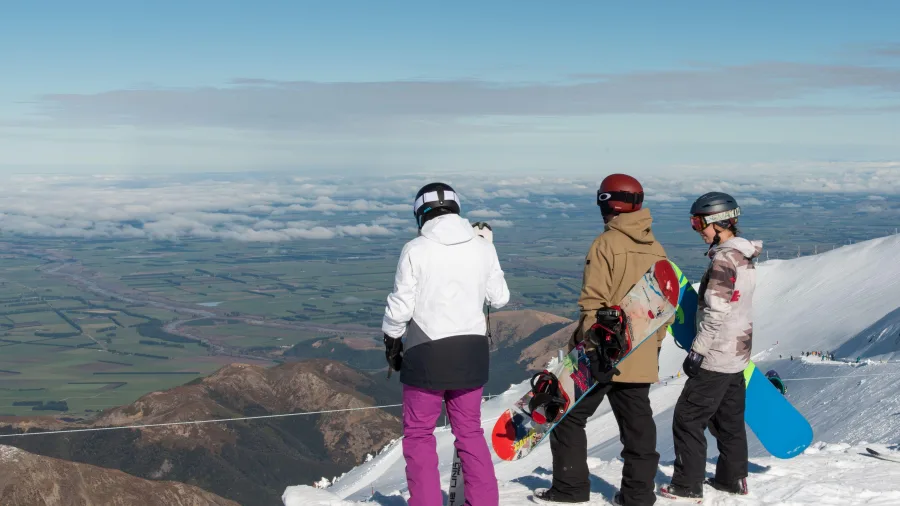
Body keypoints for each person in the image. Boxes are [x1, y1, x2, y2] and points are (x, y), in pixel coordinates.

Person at [534, 174, 674, 506]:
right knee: (638, 425)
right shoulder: (656, 248)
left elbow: (592, 304)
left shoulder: (606, 245)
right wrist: (651, 347)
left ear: (606, 202)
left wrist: (585, 350)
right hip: (639, 352)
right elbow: (664, 306)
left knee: (567, 417)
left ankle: (570, 489)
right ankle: (639, 495)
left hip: (600, 353)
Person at [382, 182, 510, 506]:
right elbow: (501, 297)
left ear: (420, 214)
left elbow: (401, 306)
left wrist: (392, 340)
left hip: (426, 352)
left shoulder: (415, 250)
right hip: (472, 352)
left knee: (419, 435)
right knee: (469, 432)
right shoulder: (483, 248)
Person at [660, 192, 763, 500]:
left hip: (716, 353)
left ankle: (687, 485)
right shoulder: (744, 256)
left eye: (698, 223)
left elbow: (716, 311)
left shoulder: (723, 261)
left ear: (718, 223)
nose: (697, 230)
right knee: (729, 419)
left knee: (688, 417)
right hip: (738, 352)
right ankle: (733, 478)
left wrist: (697, 351)